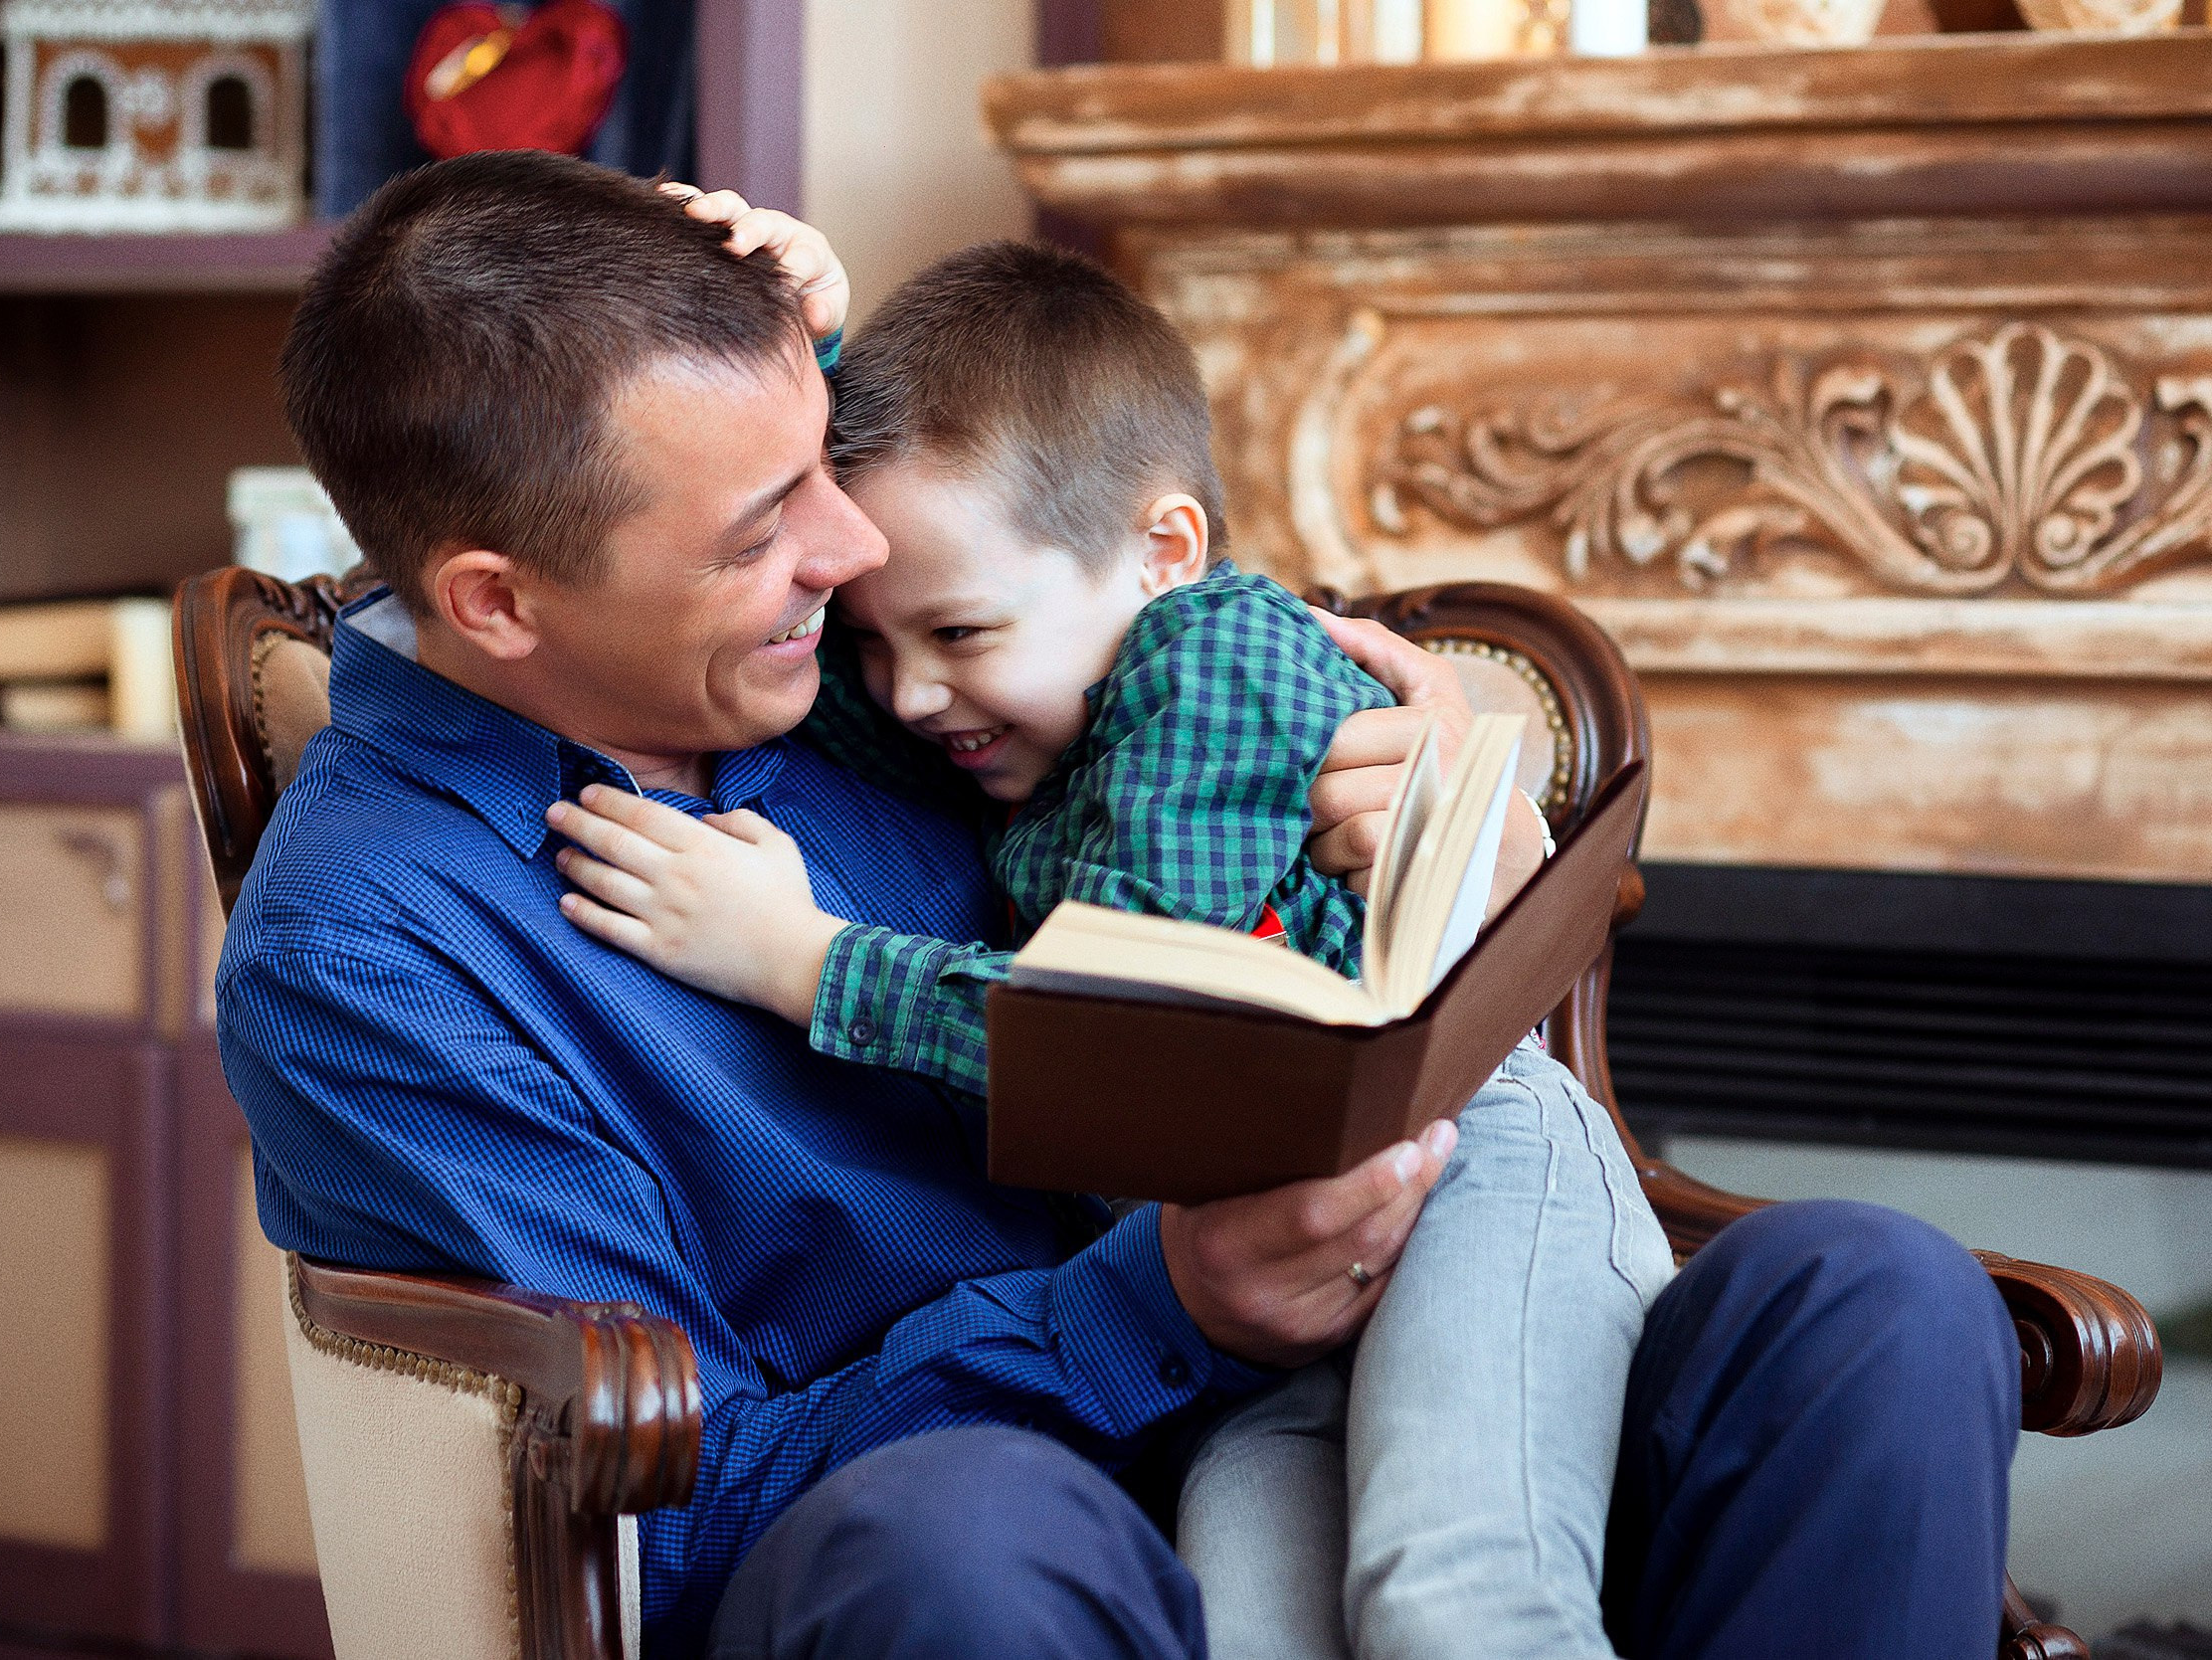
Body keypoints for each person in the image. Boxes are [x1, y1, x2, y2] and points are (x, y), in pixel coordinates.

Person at [221, 148, 2021, 1660]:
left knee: (1871, 1295)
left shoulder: (853, 675)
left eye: (827, 473)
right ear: (499, 604)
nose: (850, 563)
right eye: (765, 523)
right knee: (961, 1533)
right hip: (983, 1540)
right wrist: (1157, 1307)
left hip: (1354, 1415)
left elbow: (1121, 596)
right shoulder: (373, 953)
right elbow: (649, 1535)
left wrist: (1420, 789)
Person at [547, 237, 1675, 1660]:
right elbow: (743, 633)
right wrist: (801, 345)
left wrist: (805, 958)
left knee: (1452, 1606)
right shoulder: (996, 702)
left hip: (1463, 1160)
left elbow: (1137, 1037)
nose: (904, 692)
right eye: (881, 639)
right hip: (1274, 1280)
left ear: (1165, 552)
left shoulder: (1208, 660)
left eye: (953, 630)